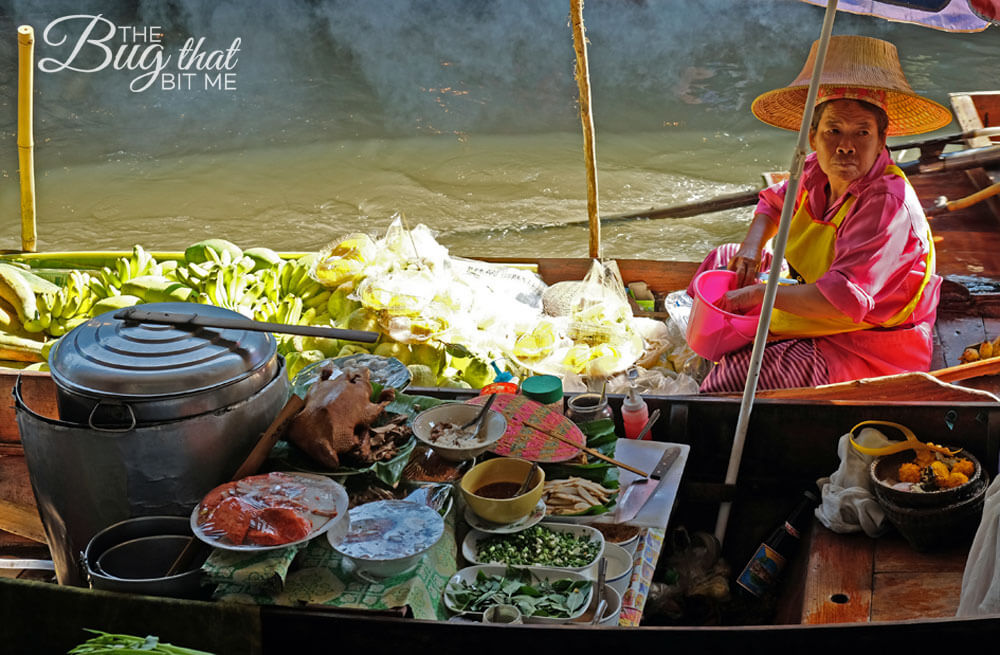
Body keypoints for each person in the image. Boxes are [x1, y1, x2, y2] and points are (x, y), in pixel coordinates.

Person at [688, 35, 953, 393]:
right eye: (833, 131)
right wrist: (751, 248)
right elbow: (773, 204)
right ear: (813, 137)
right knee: (725, 260)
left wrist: (756, 296)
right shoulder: (814, 169)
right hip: (812, 292)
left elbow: (844, 300)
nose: (846, 146)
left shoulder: (886, 204)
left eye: (862, 133)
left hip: (865, 341)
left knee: (734, 379)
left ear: (881, 141)